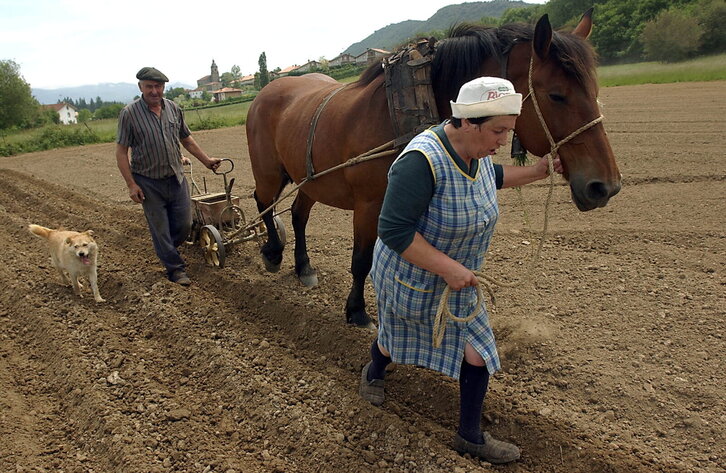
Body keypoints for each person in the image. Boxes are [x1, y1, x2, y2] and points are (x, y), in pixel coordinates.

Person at [359, 77, 563, 464]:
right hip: (410, 273)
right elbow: (393, 230)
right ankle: (375, 370)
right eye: (498, 131)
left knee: (478, 353)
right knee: (393, 339)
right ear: (468, 122)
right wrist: (448, 268)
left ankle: (470, 436)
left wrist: (538, 172)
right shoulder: (421, 161)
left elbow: (493, 177)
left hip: (457, 278)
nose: (503, 141)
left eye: (508, 130)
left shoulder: (477, 152)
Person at [116, 67, 220, 286]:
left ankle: (165, 250)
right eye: (149, 86)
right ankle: (175, 269)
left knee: (184, 225)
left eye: (158, 86)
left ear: (163, 87)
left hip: (176, 178)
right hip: (148, 181)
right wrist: (131, 185)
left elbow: (186, 139)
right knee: (160, 229)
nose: (154, 91)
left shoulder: (173, 108)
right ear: (140, 87)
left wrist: (207, 161)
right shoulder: (129, 114)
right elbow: (121, 152)